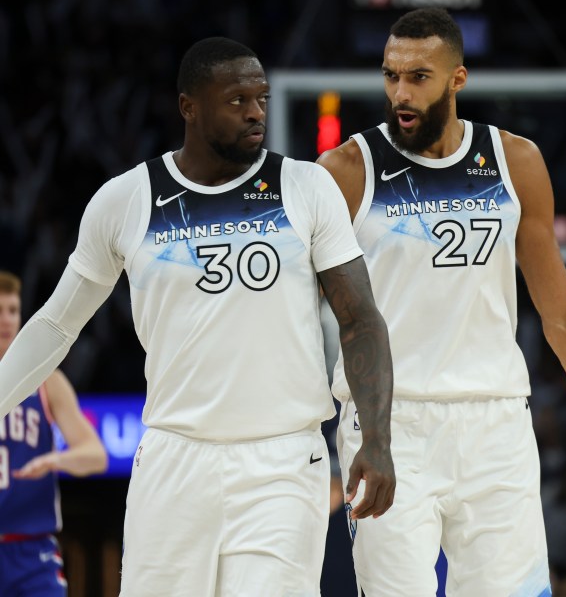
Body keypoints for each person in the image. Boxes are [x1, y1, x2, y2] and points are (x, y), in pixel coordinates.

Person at [0, 37, 396, 596]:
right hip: (173, 457)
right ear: (189, 106)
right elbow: (56, 325)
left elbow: (360, 320)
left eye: (260, 97)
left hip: (282, 459)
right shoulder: (125, 200)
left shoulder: (306, 188)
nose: (256, 111)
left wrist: (377, 441)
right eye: (237, 100)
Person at [316, 7, 566, 596]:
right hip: (387, 426)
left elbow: (564, 315)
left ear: (457, 79)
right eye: (391, 75)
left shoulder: (515, 163)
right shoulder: (343, 171)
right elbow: (295, 317)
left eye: (419, 76)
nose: (400, 91)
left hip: (494, 423)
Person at [0, 270, 108, 596]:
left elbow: (96, 456)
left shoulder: (47, 380)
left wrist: (56, 460)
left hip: (32, 551)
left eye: (13, 311)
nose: (6, 320)